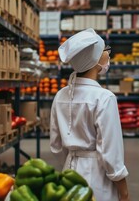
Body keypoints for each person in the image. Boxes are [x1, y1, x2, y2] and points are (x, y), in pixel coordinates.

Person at [50, 28, 130, 201]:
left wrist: (74, 156)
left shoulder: (60, 95)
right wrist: (124, 192)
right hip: (98, 179)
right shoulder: (104, 98)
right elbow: (111, 154)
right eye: (103, 50)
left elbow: (56, 146)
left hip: (68, 174)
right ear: (94, 60)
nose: (107, 53)